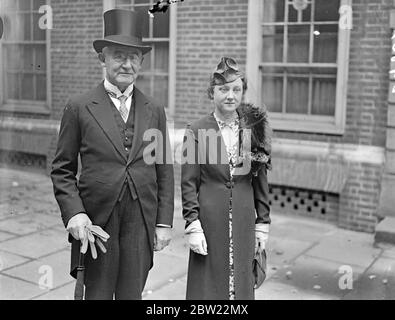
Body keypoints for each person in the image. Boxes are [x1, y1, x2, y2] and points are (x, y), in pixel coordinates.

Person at [50, 9, 174, 300]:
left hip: (140, 220)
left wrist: (164, 223)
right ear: (102, 58)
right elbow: (62, 169)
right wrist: (75, 214)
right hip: (97, 222)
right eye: (118, 55)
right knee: (98, 294)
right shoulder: (79, 106)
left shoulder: (154, 109)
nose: (126, 64)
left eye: (133, 57)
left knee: (132, 294)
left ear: (141, 62)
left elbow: (164, 169)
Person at [181, 57, 272, 300]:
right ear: (212, 92)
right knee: (208, 288)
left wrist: (262, 224)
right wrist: (192, 225)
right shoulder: (197, 130)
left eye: (236, 89)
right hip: (210, 221)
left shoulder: (251, 129)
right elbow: (189, 183)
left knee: (239, 287)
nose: (230, 95)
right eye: (223, 89)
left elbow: (260, 179)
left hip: (243, 219)